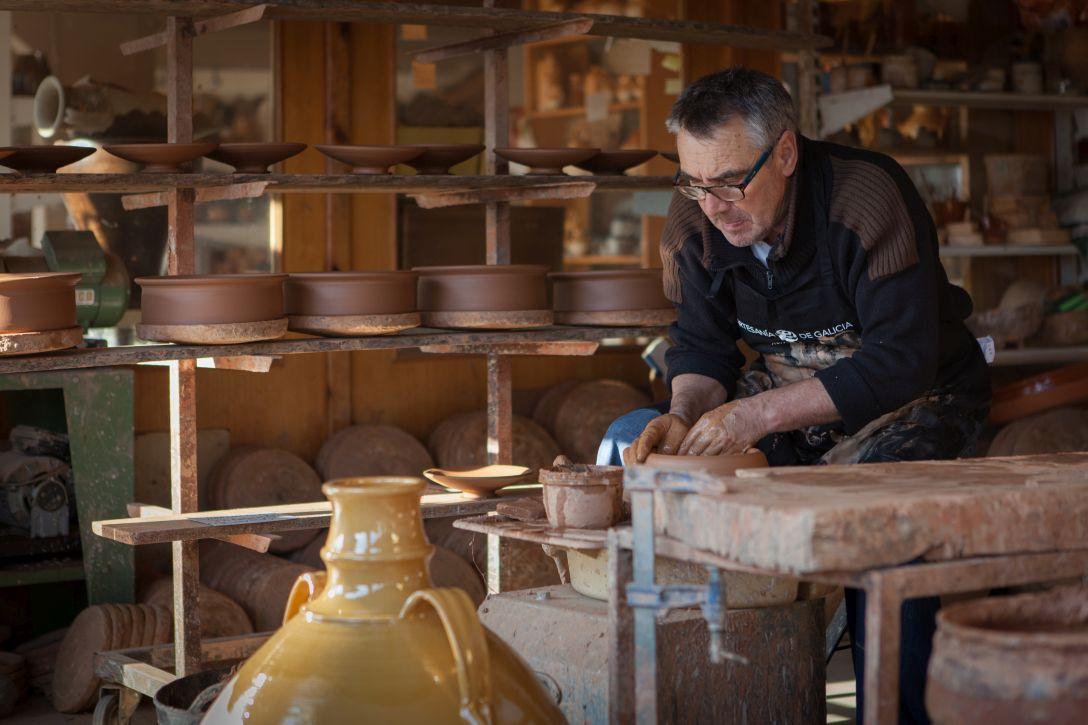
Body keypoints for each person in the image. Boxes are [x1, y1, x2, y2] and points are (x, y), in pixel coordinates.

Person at [598, 67, 991, 724]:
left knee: (885, 528)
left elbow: (901, 360)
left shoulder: (864, 197)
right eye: (694, 181)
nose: (712, 203)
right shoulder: (696, 219)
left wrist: (753, 416)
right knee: (629, 439)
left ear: (784, 151)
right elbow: (701, 349)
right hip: (789, 395)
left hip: (916, 398)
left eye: (729, 181)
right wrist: (682, 414)